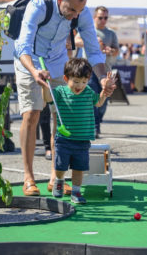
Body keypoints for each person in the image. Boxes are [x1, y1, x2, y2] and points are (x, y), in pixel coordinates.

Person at [14, 0, 116, 196]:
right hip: (29, 61)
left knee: (61, 118)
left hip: (59, 63)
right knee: (31, 114)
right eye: (71, 9)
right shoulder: (39, 5)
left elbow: (94, 51)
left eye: (79, 10)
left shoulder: (83, 13)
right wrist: (34, 72)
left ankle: (56, 178)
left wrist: (103, 79)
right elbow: (23, 44)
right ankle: (28, 178)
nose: (75, 16)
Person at [43, 58, 114, 203]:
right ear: (65, 78)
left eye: (84, 81)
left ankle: (76, 192)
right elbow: (47, 98)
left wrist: (104, 93)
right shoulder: (60, 91)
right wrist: (44, 85)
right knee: (60, 166)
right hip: (64, 139)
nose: (80, 85)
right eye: (75, 81)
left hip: (82, 140)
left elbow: (99, 102)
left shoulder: (88, 91)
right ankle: (59, 180)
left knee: (79, 168)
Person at [75, 6, 119, 138]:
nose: (103, 20)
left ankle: (98, 120)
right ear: (95, 17)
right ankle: (95, 126)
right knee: (93, 97)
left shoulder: (111, 33)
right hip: (88, 68)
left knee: (105, 98)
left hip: (105, 69)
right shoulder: (89, 30)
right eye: (100, 17)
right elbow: (76, 41)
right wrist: (93, 44)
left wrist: (110, 50)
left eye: (106, 17)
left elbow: (116, 50)